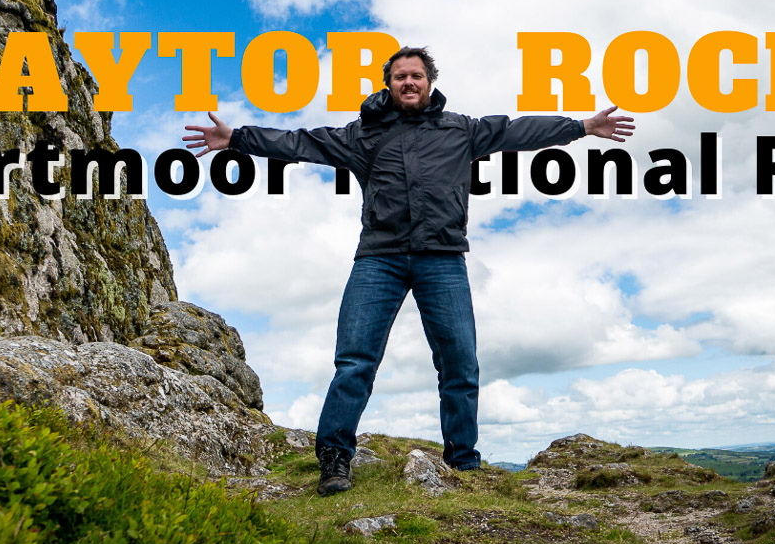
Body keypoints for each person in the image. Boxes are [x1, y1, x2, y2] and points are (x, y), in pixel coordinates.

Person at [183, 47, 634, 496]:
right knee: (355, 359)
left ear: (429, 81)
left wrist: (581, 127)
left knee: (459, 362)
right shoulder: (364, 134)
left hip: (443, 258)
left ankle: (462, 461)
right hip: (379, 257)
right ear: (389, 84)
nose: (409, 83)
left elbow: (517, 131)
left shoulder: (462, 130)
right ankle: (336, 458)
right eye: (400, 77)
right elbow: (301, 143)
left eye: (416, 75)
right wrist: (238, 139)